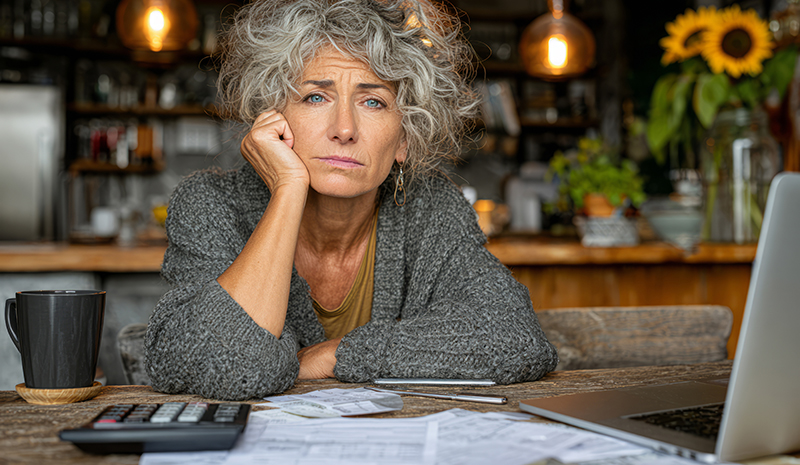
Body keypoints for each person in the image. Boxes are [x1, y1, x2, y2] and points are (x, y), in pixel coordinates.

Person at [145, 0, 558, 400]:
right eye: (315, 97)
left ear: (405, 139)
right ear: (273, 119)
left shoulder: (431, 208)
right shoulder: (211, 204)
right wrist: (288, 188)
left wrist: (336, 354)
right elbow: (230, 365)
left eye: (373, 101)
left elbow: (515, 336)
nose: (344, 129)